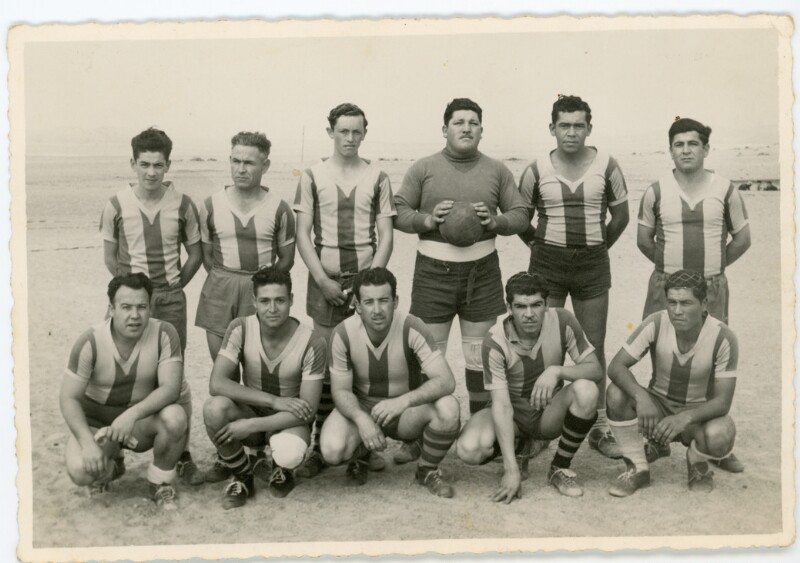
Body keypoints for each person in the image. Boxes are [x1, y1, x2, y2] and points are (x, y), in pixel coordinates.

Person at [394, 98, 528, 447]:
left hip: (482, 272)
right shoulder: (424, 168)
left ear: (482, 130)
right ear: (445, 129)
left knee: (479, 356)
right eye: (458, 122)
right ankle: (422, 438)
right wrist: (427, 220)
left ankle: (479, 432)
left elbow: (521, 214)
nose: (466, 128)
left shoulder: (497, 170)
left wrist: (495, 222)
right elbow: (398, 212)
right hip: (432, 272)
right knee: (429, 356)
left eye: (473, 122)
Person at [518, 95, 630, 460]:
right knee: (544, 344)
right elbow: (521, 219)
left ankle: (598, 427)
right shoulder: (536, 169)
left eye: (578, 125)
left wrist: (596, 247)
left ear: (589, 129)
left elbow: (621, 217)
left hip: (592, 265)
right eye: (564, 125)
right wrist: (540, 246)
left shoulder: (608, 165)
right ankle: (541, 428)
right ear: (552, 128)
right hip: (546, 264)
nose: (571, 132)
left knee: (592, 347)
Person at [293, 103, 396, 478]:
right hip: (326, 280)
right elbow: (302, 234)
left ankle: (362, 451)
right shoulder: (312, 175)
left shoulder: (378, 177)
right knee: (323, 365)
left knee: (365, 362)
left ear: (364, 133)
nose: (350, 138)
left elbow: (386, 236)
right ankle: (319, 448)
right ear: (330, 132)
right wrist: (322, 279)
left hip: (365, 283)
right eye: (343, 131)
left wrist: (369, 282)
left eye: (357, 132)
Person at [99, 127, 204, 485]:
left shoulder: (183, 204)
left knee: (174, 378)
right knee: (120, 372)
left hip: (170, 300)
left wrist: (174, 286)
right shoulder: (116, 204)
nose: (151, 172)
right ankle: (115, 451)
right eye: (144, 164)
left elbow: (195, 254)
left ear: (168, 165)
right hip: (130, 301)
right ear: (133, 163)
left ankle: (181, 452)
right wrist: (129, 293)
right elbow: (110, 257)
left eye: (158, 165)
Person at [456, 272, 602, 500]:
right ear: (509, 307)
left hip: (547, 412)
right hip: (512, 415)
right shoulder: (495, 340)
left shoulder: (563, 320)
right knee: (469, 449)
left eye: (536, 305)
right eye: (520, 306)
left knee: (587, 390)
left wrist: (557, 371)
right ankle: (520, 449)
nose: (529, 314)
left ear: (547, 304)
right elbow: (502, 406)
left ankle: (559, 467)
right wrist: (511, 470)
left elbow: (595, 369)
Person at [320, 268, 461, 497]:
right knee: (332, 450)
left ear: (395, 301)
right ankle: (362, 455)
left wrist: (403, 401)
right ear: (357, 305)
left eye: (383, 300)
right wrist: (361, 419)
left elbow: (446, 380)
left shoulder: (412, 326)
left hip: (405, 412)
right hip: (363, 407)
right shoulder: (343, 333)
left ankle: (427, 469)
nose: (377, 310)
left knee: (449, 408)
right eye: (369, 302)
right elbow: (341, 391)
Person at [60, 273, 189, 510]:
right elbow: (68, 398)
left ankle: (160, 482)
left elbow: (171, 388)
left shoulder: (164, 333)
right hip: (98, 425)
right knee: (80, 471)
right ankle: (111, 466)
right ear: (111, 309)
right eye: (126, 307)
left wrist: (131, 415)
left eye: (142, 307)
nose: (135, 315)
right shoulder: (90, 340)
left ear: (150, 307)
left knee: (175, 417)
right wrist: (88, 444)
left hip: (139, 423)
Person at [605, 270, 739, 497]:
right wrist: (641, 397)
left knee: (722, 433)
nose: (677, 311)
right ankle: (637, 467)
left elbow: (723, 402)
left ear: (704, 304)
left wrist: (684, 418)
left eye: (686, 303)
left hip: (696, 416)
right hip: (657, 409)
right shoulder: (656, 322)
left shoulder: (723, 336)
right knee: (616, 393)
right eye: (672, 302)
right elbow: (616, 366)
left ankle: (697, 462)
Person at [202, 267, 325, 509]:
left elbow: (308, 410)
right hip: (255, 409)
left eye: (280, 300)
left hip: (289, 419)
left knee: (288, 452)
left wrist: (251, 425)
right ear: (254, 301)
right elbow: (217, 383)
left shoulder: (312, 341)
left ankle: (281, 468)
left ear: (291, 300)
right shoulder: (240, 327)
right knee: (214, 409)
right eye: (265, 301)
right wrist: (272, 401)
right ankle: (242, 475)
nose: (272, 308)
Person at [638, 117, 751, 327]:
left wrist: (712, 265)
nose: (685, 150)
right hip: (666, 286)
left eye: (693, 144)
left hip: (710, 287)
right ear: (671, 151)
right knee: (662, 344)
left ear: (705, 149)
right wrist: (669, 266)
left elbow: (742, 240)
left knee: (709, 345)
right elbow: (644, 241)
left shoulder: (726, 190)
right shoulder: (655, 191)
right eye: (678, 145)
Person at [195, 131, 296, 360]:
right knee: (222, 364)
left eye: (249, 163)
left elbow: (287, 259)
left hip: (259, 289)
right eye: (236, 161)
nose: (241, 169)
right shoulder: (210, 205)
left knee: (256, 365)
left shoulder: (279, 208)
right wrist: (225, 278)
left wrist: (264, 283)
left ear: (265, 165)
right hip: (220, 288)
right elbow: (207, 256)